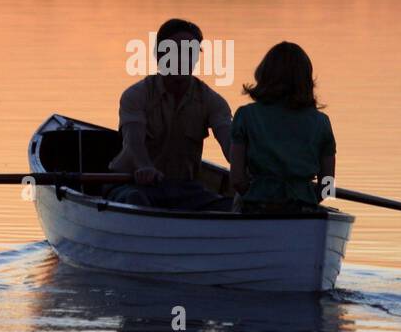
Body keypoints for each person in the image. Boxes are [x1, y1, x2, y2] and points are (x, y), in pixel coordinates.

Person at [107, 18, 234, 211]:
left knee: (234, 206)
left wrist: (253, 172)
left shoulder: (213, 101)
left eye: (189, 52)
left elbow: (230, 145)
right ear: (158, 55)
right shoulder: (136, 95)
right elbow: (134, 142)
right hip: (132, 184)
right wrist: (145, 167)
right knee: (134, 200)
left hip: (185, 189)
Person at [230, 42, 336, 214]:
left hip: (257, 206)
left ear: (264, 75)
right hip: (303, 207)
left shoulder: (245, 116)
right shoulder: (322, 122)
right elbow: (328, 186)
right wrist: (308, 199)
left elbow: (236, 179)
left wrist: (255, 196)